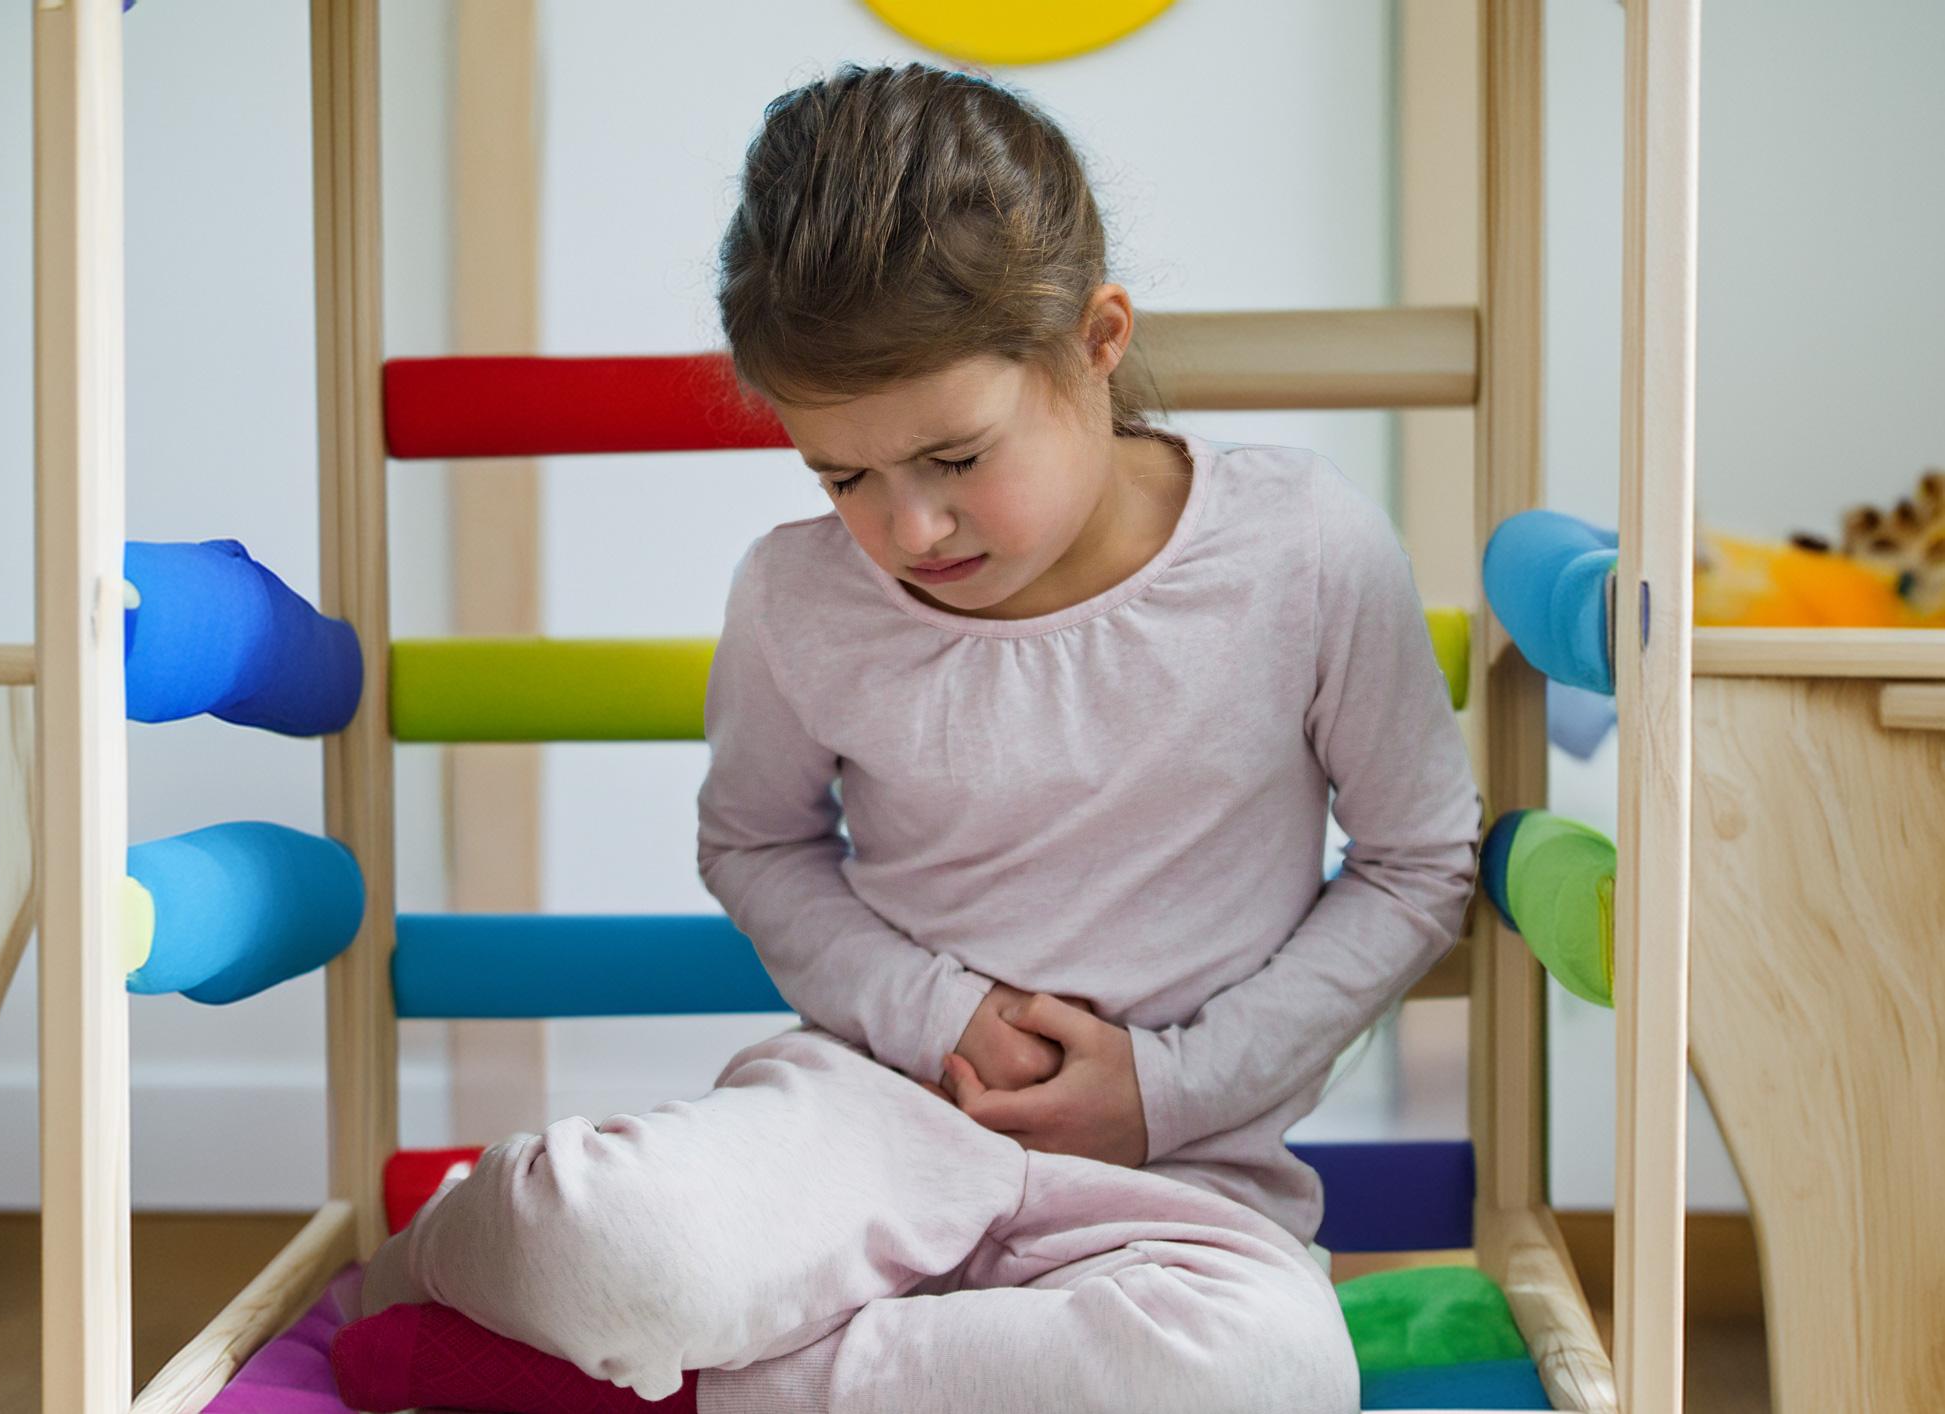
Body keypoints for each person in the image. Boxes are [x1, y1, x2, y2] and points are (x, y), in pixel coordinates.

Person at [341, 61, 1480, 1414]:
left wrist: (1169, 1089)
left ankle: (703, 1387)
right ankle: (464, 1276)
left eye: (953, 458)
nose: (907, 530)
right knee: (597, 1239)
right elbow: (754, 843)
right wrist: (937, 1009)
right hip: (863, 1124)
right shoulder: (796, 592)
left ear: (1097, 339)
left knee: (1273, 1373)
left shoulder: (1302, 551)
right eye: (841, 474)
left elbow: (1418, 862)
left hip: (1169, 1182)